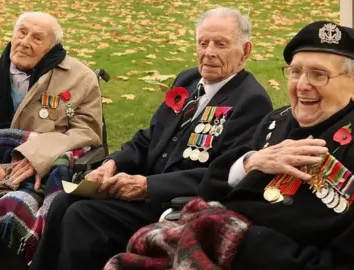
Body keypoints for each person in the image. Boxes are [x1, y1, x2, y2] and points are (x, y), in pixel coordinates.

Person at [104, 21, 354, 270]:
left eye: (319, 74)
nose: (301, 85)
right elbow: (210, 188)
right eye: (296, 71)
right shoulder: (277, 123)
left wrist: (245, 241)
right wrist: (250, 163)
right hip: (204, 245)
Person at [30, 7, 272, 270]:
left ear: (245, 51)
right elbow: (149, 138)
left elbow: (222, 174)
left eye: (221, 44)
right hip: (142, 191)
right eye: (203, 43)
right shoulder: (189, 80)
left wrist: (148, 185)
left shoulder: (251, 101)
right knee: (62, 202)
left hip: (181, 205)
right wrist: (112, 164)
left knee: (83, 216)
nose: (209, 52)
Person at [0, 12, 102, 270]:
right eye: (21, 33)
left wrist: (38, 156)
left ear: (52, 47)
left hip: (39, 174)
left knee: (11, 212)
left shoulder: (80, 77)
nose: (25, 42)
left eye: (37, 38)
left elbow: (87, 131)